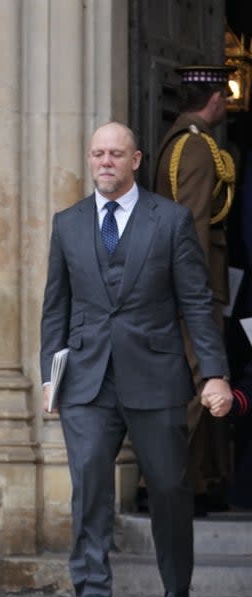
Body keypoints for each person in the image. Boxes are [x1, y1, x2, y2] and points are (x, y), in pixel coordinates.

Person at [41, 122, 232, 597]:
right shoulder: (68, 223)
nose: (106, 162)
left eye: (116, 154)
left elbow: (197, 303)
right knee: (89, 488)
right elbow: (54, 308)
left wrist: (212, 374)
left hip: (156, 376)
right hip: (86, 380)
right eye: (98, 154)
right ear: (90, 159)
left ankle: (176, 589)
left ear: (136, 160)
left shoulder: (170, 221)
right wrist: (49, 376)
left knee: (169, 487)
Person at [154, 65, 238, 513]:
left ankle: (199, 481)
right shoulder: (197, 148)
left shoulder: (182, 141)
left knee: (203, 382)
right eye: (225, 96)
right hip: (195, 285)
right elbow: (191, 228)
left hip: (194, 283)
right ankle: (164, 481)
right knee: (198, 383)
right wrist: (195, 292)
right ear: (215, 99)